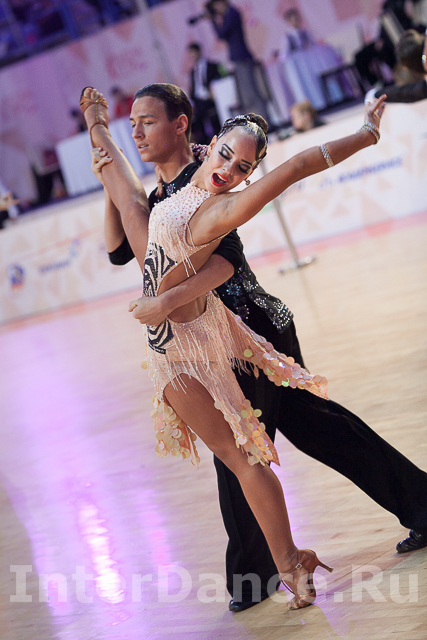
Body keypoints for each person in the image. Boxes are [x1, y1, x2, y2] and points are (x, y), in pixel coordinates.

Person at [87, 85, 427, 613]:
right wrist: (106, 179)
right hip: (219, 338)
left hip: (250, 331)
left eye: (148, 122)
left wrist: (366, 133)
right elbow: (118, 251)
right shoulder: (161, 194)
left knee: (245, 452)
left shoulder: (209, 181)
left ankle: (256, 574)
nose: (138, 133)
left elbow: (227, 261)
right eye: (133, 124)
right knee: (309, 433)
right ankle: (409, 508)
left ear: (182, 125)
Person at [194, 0, 270, 122]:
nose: (216, 9)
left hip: (242, 58)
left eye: (216, 5)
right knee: (248, 94)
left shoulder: (232, 13)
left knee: (251, 93)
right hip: (239, 58)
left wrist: (213, 20)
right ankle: (262, 121)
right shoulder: (231, 14)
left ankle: (264, 121)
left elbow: (221, 34)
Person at [369, 29, 427, 102]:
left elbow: (402, 93)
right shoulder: (421, 89)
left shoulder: (421, 90)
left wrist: (373, 95)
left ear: (406, 68)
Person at [188, 42, 223, 144]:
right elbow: (193, 90)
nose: (192, 57)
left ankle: (219, 138)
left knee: (213, 118)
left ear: (198, 52)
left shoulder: (211, 66)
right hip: (198, 101)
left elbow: (218, 80)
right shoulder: (192, 72)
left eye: (193, 53)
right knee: (194, 120)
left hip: (209, 98)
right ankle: (204, 143)